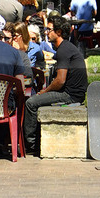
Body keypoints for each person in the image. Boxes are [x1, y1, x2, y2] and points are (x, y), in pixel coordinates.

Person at [23, 16, 88, 156]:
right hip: (71, 92)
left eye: (49, 29)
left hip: (70, 95)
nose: (46, 32)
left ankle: (30, 144)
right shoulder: (66, 48)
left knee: (30, 103)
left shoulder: (63, 50)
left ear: (58, 32)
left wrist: (44, 91)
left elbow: (60, 81)